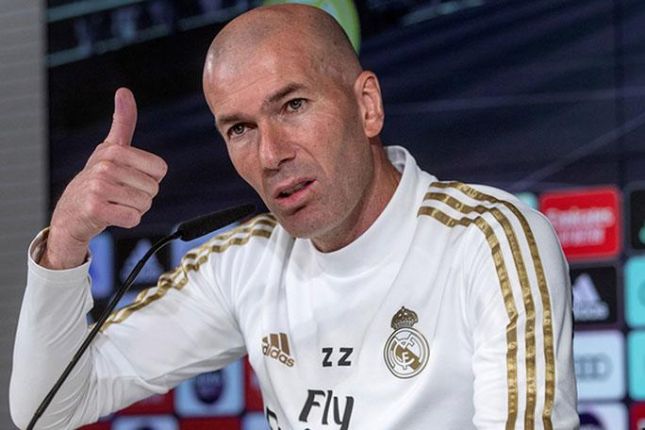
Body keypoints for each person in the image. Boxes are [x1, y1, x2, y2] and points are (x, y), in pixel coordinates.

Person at [10, 4, 578, 429]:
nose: (270, 154)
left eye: (293, 105)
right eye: (240, 128)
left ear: (367, 106)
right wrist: (66, 242)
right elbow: (48, 407)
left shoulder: (487, 241)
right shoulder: (244, 260)